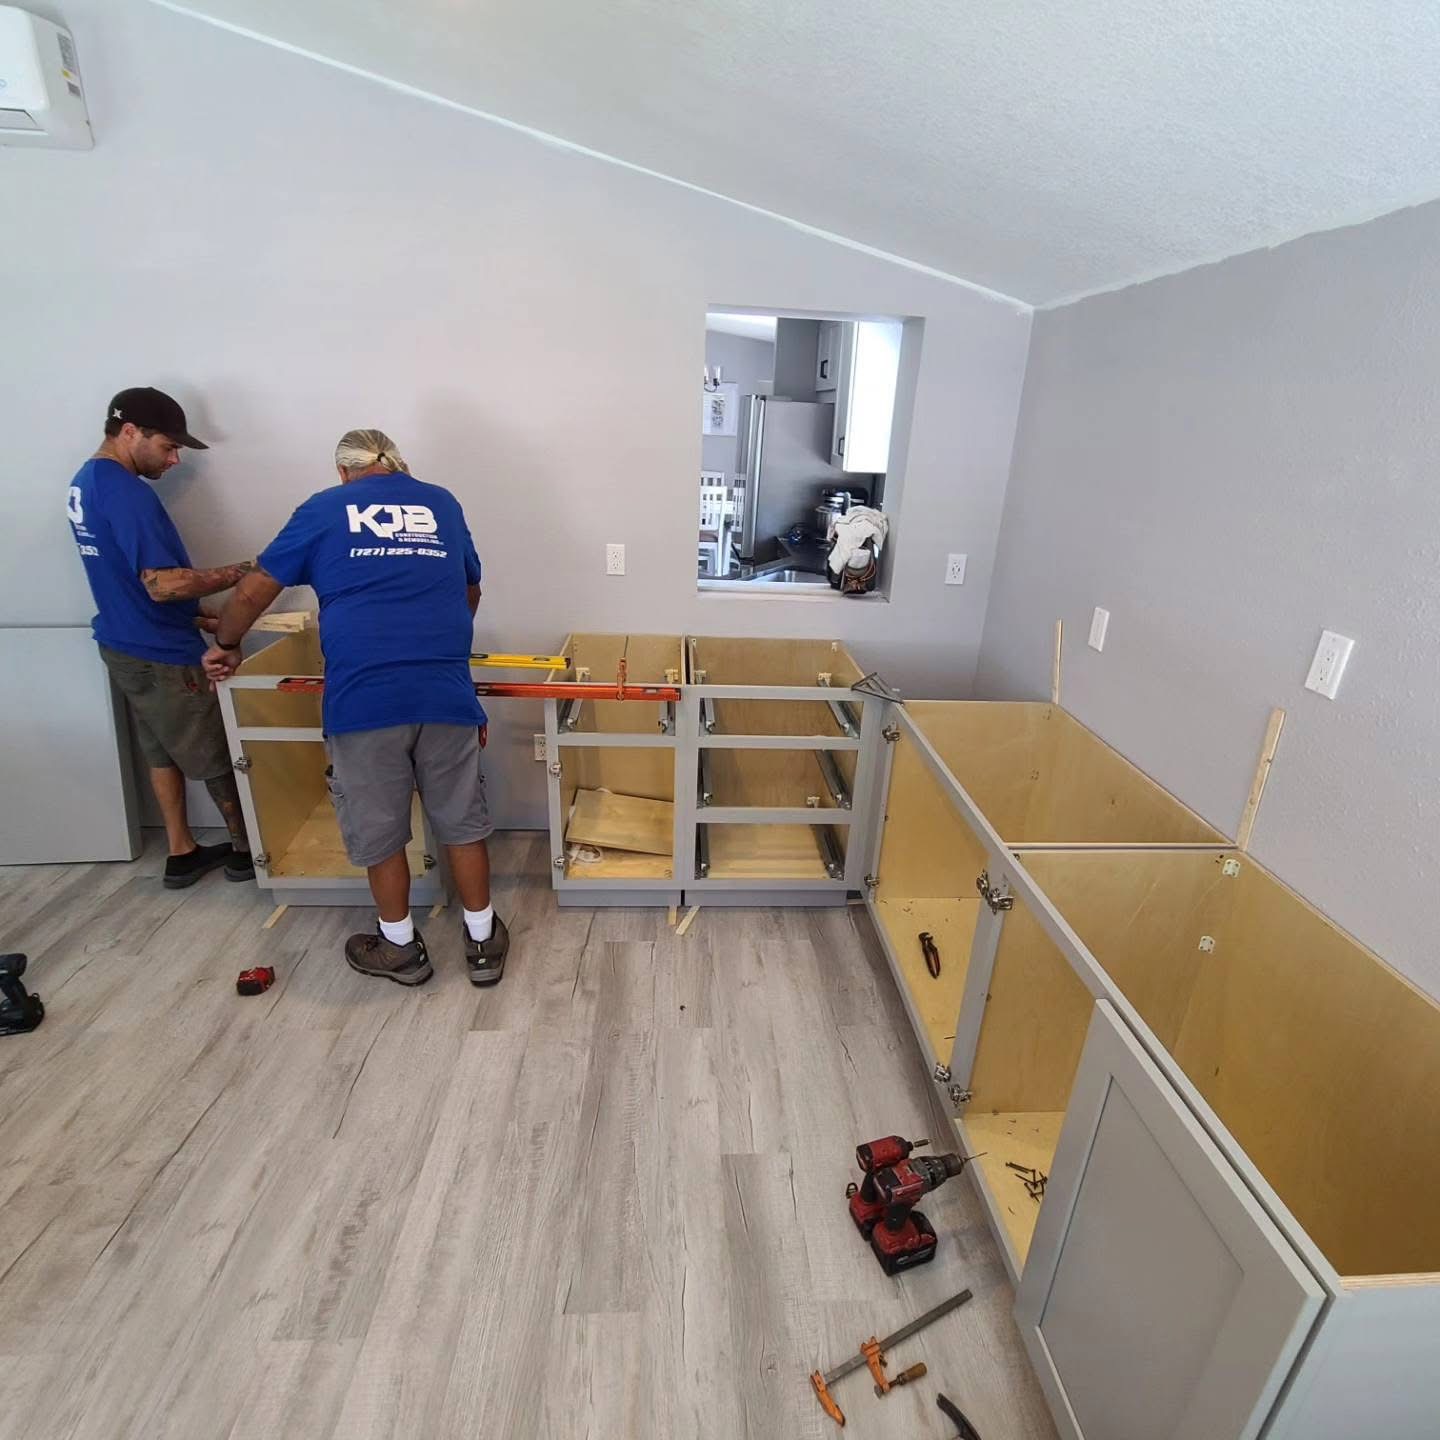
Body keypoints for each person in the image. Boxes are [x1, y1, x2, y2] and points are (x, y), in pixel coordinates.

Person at [202, 429, 508, 988]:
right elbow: (471, 589)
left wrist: (225, 645)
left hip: (364, 699)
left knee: (381, 830)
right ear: (397, 465)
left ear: (343, 471)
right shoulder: (440, 502)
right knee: (462, 821)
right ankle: (483, 941)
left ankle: (400, 950)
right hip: (444, 691)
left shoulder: (324, 509)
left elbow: (252, 592)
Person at [67, 387, 255, 889]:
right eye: (168, 447)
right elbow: (163, 584)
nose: (174, 460)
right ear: (130, 432)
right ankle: (246, 852)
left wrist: (197, 614)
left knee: (161, 752)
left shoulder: (85, 482)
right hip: (164, 656)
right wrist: (251, 571)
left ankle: (181, 850)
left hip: (122, 642)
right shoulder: (127, 492)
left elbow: (124, 578)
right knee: (217, 754)